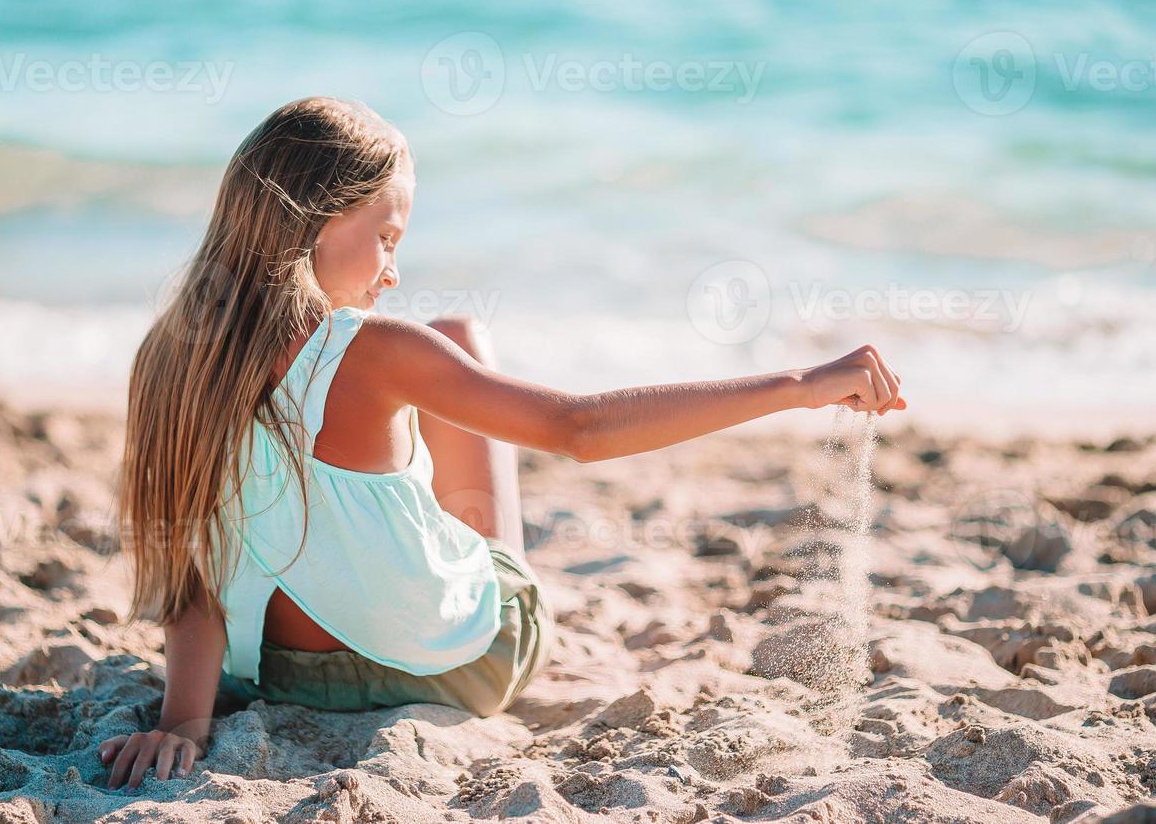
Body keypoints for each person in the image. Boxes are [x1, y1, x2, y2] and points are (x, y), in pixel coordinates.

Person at [98, 96, 905, 790]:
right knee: (452, 341)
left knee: (433, 346)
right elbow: (577, 430)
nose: (392, 272)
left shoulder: (169, 361)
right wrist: (799, 385)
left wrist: (186, 725)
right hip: (456, 666)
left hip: (266, 675)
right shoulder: (376, 349)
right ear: (316, 217)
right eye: (387, 235)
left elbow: (190, 574)